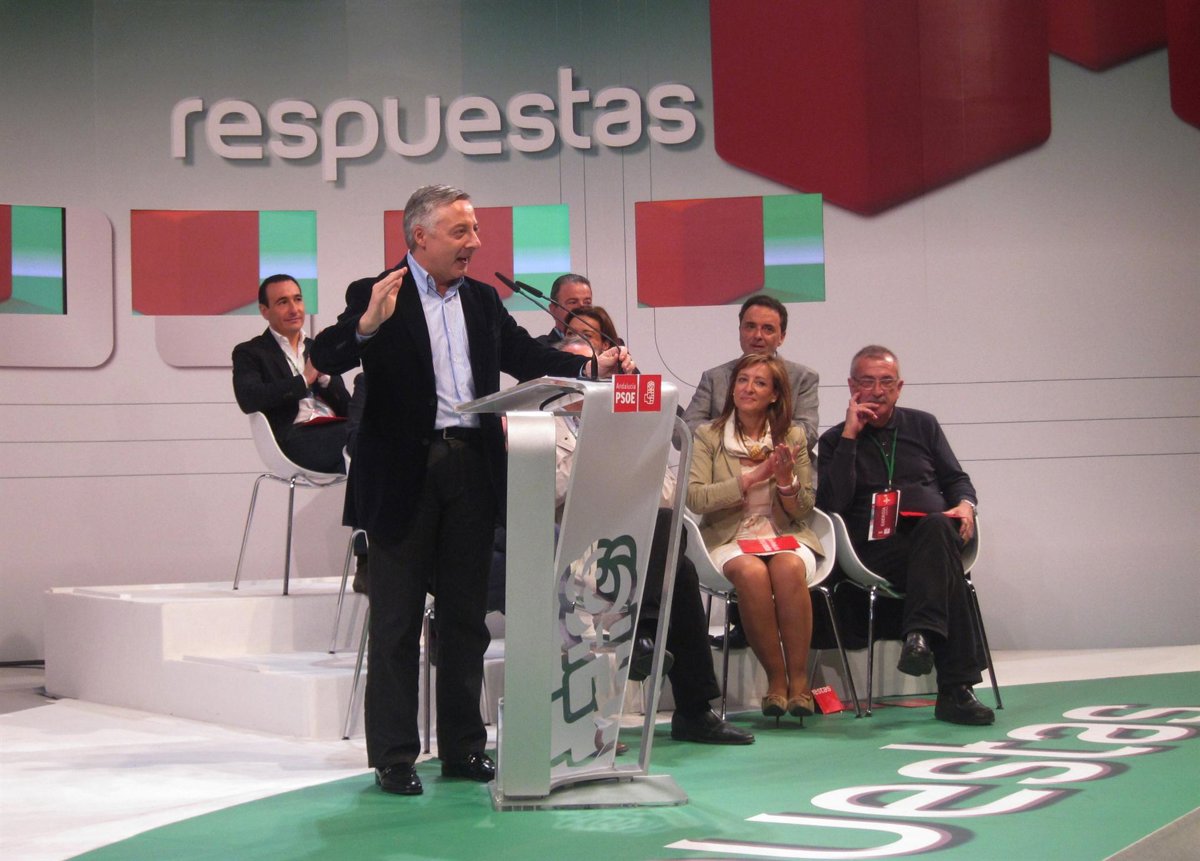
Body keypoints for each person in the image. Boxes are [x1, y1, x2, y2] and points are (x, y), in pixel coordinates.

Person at [310, 185, 633, 797]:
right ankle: (395, 756)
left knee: (465, 618)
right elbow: (326, 353)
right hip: (403, 476)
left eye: (475, 230)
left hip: (471, 468)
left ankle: (463, 747)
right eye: (461, 231)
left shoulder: (482, 300)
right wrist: (367, 325)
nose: (475, 243)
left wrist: (589, 368)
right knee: (398, 620)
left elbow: (525, 355)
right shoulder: (376, 292)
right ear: (420, 237)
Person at [553, 335, 754, 744]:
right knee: (678, 572)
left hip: (633, 548)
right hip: (576, 548)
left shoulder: (628, 423)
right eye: (581, 376)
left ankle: (647, 637)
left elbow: (667, 497)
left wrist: (633, 450)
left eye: (598, 377)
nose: (591, 385)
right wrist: (599, 448)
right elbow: (554, 491)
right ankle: (692, 709)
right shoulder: (539, 426)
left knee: (669, 537)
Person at [816, 345, 992, 726]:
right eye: (867, 382)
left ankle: (920, 638)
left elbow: (956, 479)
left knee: (935, 528)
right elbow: (832, 504)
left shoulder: (924, 426)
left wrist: (966, 504)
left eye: (886, 382)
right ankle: (955, 689)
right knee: (947, 567)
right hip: (874, 549)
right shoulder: (833, 441)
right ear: (851, 387)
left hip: (932, 534)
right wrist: (850, 437)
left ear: (899, 388)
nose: (877, 391)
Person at [686, 353, 823, 721]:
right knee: (751, 572)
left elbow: (804, 508)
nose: (748, 388)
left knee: (787, 568)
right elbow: (695, 497)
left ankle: (799, 683)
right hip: (730, 538)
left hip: (782, 534)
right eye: (743, 380)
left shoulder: (792, 436)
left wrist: (786, 481)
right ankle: (776, 680)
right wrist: (752, 477)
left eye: (760, 383)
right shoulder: (708, 436)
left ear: (775, 394)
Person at [682, 294, 819, 650]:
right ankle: (751, 635)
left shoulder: (802, 378)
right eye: (750, 326)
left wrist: (769, 436)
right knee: (750, 569)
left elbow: (807, 431)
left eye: (768, 329)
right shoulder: (715, 378)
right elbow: (689, 430)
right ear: (740, 330)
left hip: (782, 497)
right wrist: (734, 431)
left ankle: (794, 667)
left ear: (781, 336)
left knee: (786, 566)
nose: (758, 335)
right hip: (728, 504)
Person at [232, 274, 351, 474]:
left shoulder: (316, 347)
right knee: (365, 440)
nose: (294, 309)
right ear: (264, 311)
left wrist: (325, 378)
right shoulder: (250, 352)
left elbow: (346, 407)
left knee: (371, 442)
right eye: (283, 302)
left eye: (298, 299)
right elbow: (249, 399)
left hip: (335, 430)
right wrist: (304, 380)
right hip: (294, 437)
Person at [535, 272, 593, 344]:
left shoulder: (603, 346)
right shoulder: (538, 347)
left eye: (587, 302)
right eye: (573, 302)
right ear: (553, 310)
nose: (582, 307)